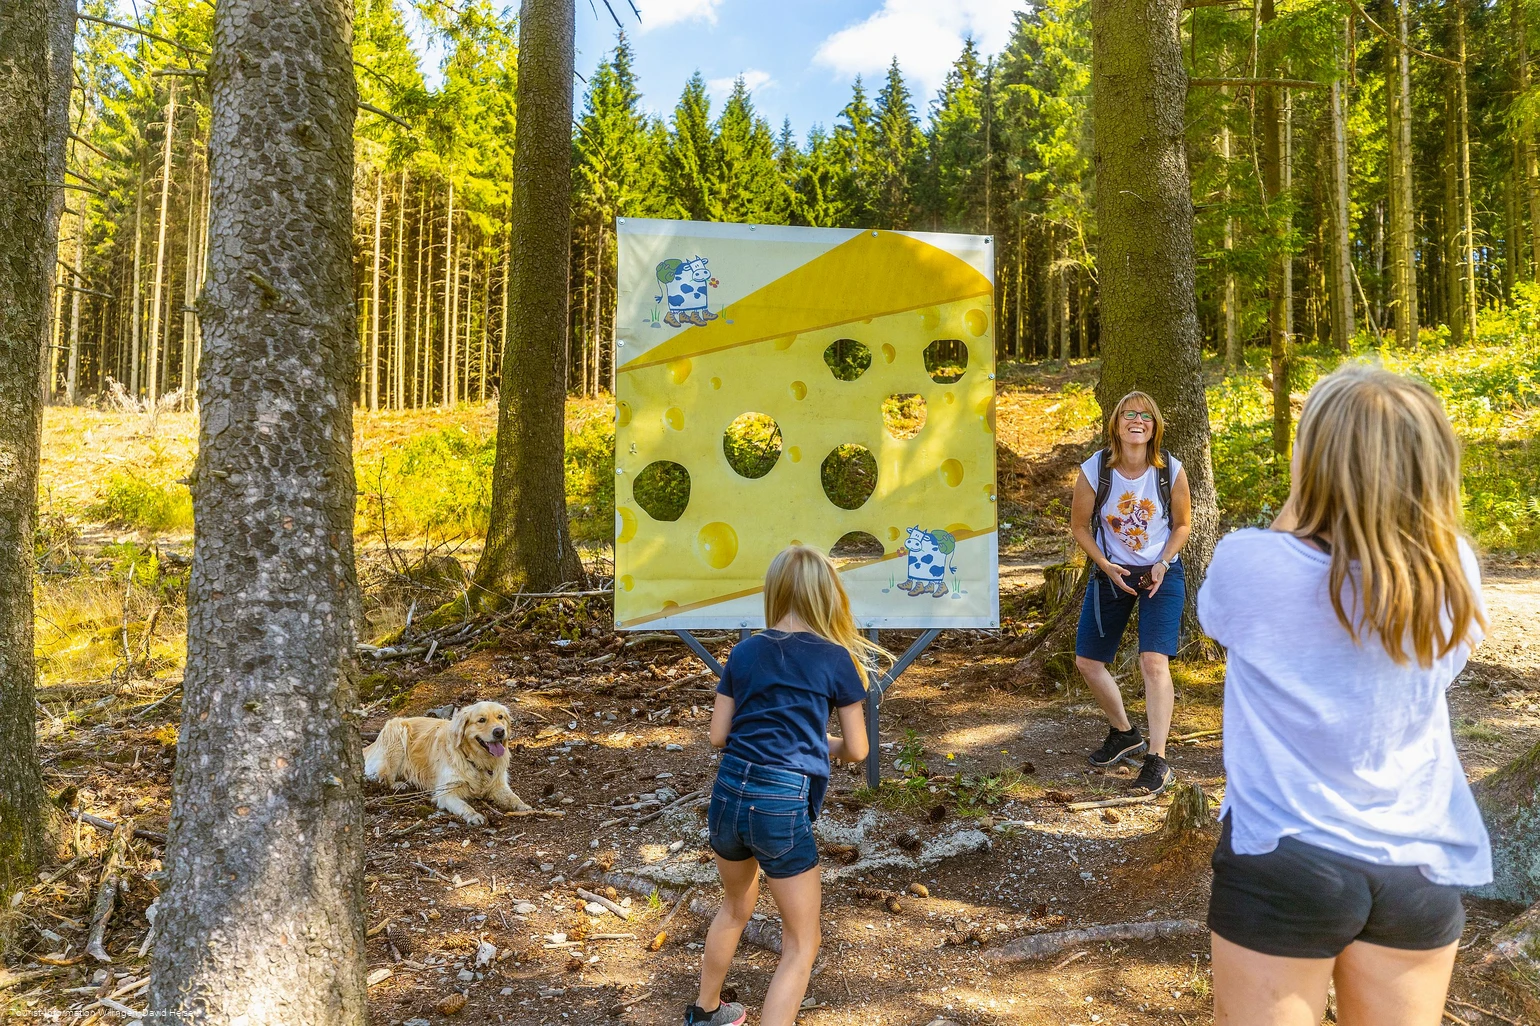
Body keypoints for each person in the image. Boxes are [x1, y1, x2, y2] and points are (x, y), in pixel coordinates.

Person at [1198, 365, 1489, 1026]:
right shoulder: (1456, 576)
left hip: (1285, 856)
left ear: (1314, 462)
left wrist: (1310, 494)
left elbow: (1220, 617)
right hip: (1418, 861)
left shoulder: (1251, 564)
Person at [684, 546, 879, 1026]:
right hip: (780, 804)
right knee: (801, 942)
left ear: (775, 592)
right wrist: (818, 742)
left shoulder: (745, 651)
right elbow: (858, 750)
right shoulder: (836, 659)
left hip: (728, 794)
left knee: (734, 907)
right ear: (827, 595)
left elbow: (717, 736)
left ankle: (705, 1013)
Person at [1069, 390, 1192, 795]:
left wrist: (1163, 562)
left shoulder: (1170, 470)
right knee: (1088, 661)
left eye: (1145, 416)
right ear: (1116, 424)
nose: (1137, 421)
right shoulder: (1095, 470)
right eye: (1128, 415)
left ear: (1154, 426)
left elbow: (1182, 526)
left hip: (1160, 574)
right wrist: (1104, 565)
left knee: (1154, 661)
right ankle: (1124, 732)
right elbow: (1081, 527)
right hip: (1112, 573)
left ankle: (1156, 760)